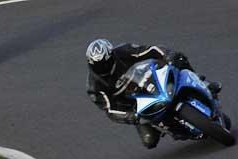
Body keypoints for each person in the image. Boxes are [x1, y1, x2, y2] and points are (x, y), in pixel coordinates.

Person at [85, 38, 222, 149]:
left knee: (178, 59)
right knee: (149, 141)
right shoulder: (94, 86)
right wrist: (130, 116)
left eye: (105, 63)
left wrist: (167, 55)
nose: (102, 68)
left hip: (148, 80)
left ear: (111, 55)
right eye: (97, 65)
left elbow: (150, 50)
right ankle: (173, 129)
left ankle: (203, 82)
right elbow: (110, 109)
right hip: (136, 106)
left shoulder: (123, 51)